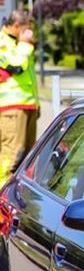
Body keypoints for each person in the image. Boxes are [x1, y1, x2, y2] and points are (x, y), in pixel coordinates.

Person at [0, 10, 39, 181]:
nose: (29, 33)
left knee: (29, 157)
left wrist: (36, 105)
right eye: (26, 29)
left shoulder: (18, 43)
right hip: (11, 109)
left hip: (27, 106)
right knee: (13, 155)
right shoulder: (3, 42)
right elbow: (16, 65)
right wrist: (24, 44)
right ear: (16, 26)